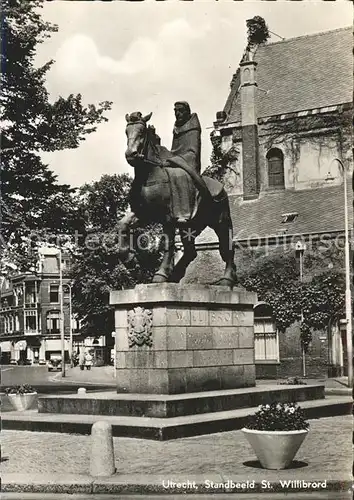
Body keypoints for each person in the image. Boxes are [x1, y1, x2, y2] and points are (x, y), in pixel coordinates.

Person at [161, 102, 212, 223]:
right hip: (177, 160)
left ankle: (184, 213)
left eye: (180, 111)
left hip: (189, 162)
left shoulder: (193, 128)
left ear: (187, 112)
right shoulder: (177, 128)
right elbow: (174, 150)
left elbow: (192, 152)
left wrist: (174, 161)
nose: (177, 114)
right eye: (175, 111)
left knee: (179, 175)